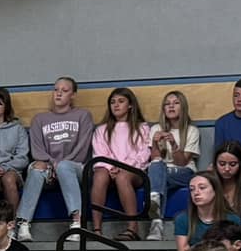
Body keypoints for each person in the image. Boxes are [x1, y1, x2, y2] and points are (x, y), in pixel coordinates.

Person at [16, 79, 94, 239]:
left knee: (65, 166)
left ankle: (77, 222)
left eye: (64, 90)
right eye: (56, 89)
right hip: (49, 167)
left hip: (77, 167)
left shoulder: (83, 115)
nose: (58, 93)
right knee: (36, 169)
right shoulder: (40, 119)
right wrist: (53, 165)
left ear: (73, 95)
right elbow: (38, 150)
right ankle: (23, 224)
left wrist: (60, 166)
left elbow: (83, 147)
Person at [88, 87, 153, 239]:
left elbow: (143, 153)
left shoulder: (142, 127)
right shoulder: (102, 130)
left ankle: (132, 228)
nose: (116, 105)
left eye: (121, 101)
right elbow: (100, 153)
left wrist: (122, 167)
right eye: (112, 102)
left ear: (130, 105)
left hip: (134, 171)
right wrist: (111, 167)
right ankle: (96, 229)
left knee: (123, 177)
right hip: (109, 169)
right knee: (99, 175)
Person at [146, 90, 202, 238]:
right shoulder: (156, 129)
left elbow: (182, 162)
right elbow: (155, 158)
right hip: (160, 171)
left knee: (158, 177)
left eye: (176, 103)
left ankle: (154, 199)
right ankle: (156, 224)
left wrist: (173, 143)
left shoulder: (192, 130)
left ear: (183, 107)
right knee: (157, 167)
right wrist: (155, 143)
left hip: (184, 172)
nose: (171, 107)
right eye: (167, 104)